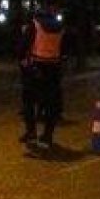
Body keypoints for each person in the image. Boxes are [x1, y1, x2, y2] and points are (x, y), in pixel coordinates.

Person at [18, 9, 65, 149]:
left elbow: (22, 47)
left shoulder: (34, 26)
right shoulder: (60, 27)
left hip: (36, 67)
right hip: (54, 68)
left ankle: (31, 132)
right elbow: (64, 48)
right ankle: (47, 135)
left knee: (28, 101)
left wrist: (22, 62)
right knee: (51, 104)